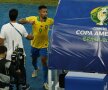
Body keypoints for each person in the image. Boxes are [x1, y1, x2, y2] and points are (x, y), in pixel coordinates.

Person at [18, 5, 54, 89]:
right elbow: (20, 21)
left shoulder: (49, 20)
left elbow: (58, 22)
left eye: (46, 11)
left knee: (44, 61)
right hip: (34, 45)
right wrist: (28, 22)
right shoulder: (33, 18)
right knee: (34, 60)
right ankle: (36, 68)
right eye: (44, 12)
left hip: (44, 45)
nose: (45, 13)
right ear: (39, 12)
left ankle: (45, 82)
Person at [0, 9, 34, 90]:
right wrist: (33, 35)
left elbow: (0, 42)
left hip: (8, 55)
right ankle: (23, 85)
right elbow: (28, 37)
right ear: (17, 16)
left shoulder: (4, 27)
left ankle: (9, 84)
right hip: (20, 54)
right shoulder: (21, 27)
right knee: (21, 68)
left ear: (9, 16)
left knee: (8, 70)